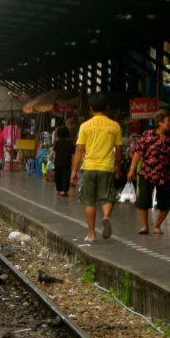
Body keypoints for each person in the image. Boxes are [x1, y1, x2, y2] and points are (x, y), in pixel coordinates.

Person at [127, 110, 170, 234]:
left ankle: (157, 225)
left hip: (166, 175)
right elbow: (138, 153)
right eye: (168, 121)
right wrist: (132, 170)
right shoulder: (147, 136)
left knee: (165, 204)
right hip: (148, 173)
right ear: (160, 122)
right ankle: (144, 226)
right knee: (143, 200)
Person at [71, 93, 123, 241]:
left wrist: (74, 171)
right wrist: (118, 168)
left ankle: (92, 234)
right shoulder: (115, 126)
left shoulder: (85, 126)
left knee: (89, 201)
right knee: (107, 197)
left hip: (89, 168)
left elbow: (79, 149)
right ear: (106, 108)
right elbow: (119, 150)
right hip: (107, 167)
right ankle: (106, 217)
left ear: (90, 108)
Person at [52, 125, 75, 196]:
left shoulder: (57, 142)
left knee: (58, 176)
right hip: (67, 163)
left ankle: (59, 189)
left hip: (58, 162)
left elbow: (53, 151)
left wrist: (49, 158)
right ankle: (64, 191)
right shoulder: (71, 143)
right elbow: (73, 155)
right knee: (66, 177)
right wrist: (74, 163)